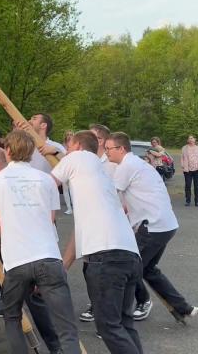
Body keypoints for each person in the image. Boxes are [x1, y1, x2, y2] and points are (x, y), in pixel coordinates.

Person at [52, 130, 142, 354]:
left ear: (78, 145)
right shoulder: (100, 172)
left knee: (109, 326)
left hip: (106, 258)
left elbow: (43, 185)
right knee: (123, 324)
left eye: (68, 146)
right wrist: (64, 266)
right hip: (128, 253)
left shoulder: (77, 158)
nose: (67, 151)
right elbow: (80, 230)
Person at [0, 140, 72, 354]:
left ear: (8, 151)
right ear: (32, 152)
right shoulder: (47, 180)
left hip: (16, 260)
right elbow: (51, 218)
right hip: (48, 256)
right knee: (66, 327)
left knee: (12, 317)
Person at [106, 132, 198, 323]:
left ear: (121, 149)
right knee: (147, 269)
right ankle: (183, 307)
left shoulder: (127, 165)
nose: (106, 153)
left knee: (127, 268)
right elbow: (126, 201)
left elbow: (110, 196)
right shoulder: (138, 164)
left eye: (109, 149)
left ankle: (121, 318)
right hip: (165, 224)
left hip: (153, 226)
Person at [76, 124, 115, 323]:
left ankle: (103, 311)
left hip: (106, 226)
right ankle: (100, 306)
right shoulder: (90, 162)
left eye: (91, 135)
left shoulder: (109, 164)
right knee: (91, 268)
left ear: (99, 140)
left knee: (102, 269)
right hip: (91, 223)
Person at [180, 135, 198, 207]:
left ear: (195, 139)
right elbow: (182, 157)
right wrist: (183, 165)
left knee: (197, 186)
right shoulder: (184, 148)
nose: (190, 139)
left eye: (192, 138)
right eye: (189, 138)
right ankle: (188, 200)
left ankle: (197, 201)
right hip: (187, 170)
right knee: (188, 185)